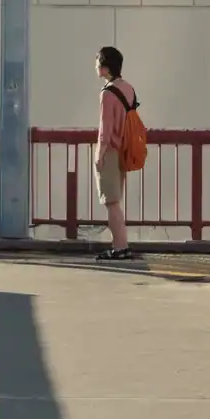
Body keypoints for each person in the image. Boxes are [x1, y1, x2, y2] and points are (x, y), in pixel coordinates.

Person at [95, 46, 135, 261]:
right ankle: (122, 245)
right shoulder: (128, 89)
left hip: (110, 151)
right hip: (124, 150)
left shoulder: (107, 94)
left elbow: (105, 129)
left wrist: (99, 156)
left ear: (105, 67)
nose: (96, 66)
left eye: (98, 62)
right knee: (116, 200)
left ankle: (120, 246)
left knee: (111, 202)